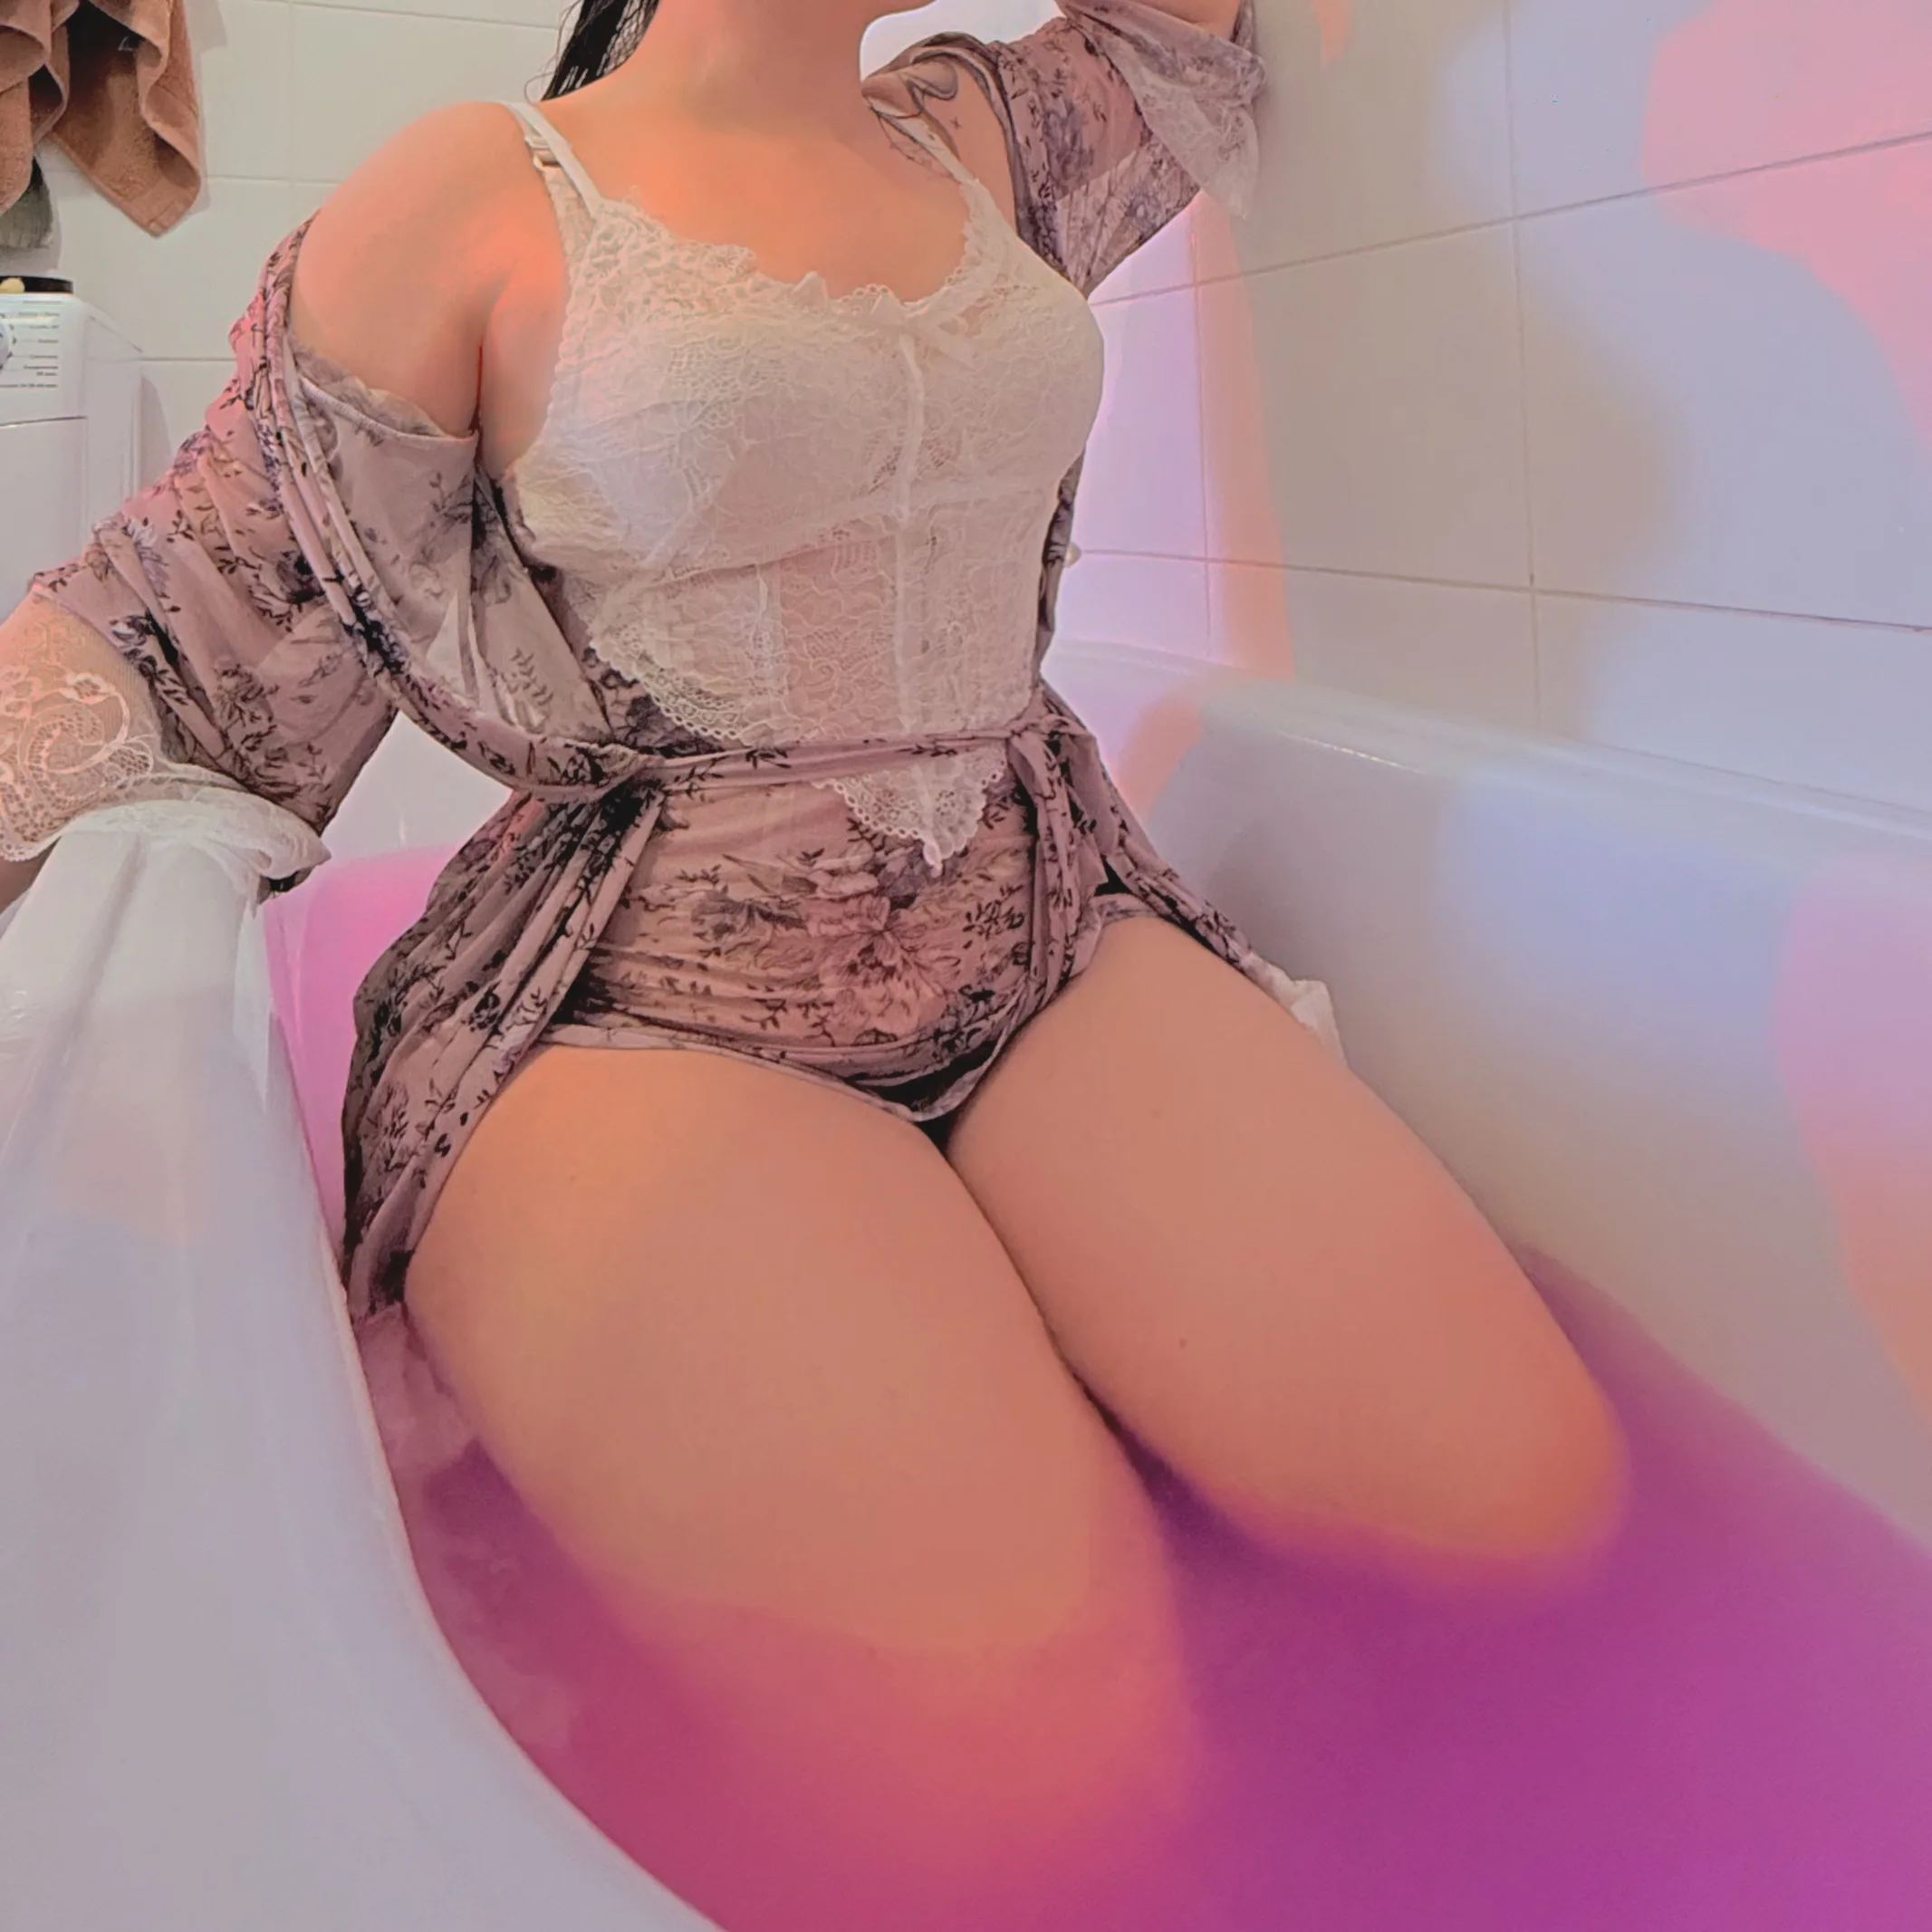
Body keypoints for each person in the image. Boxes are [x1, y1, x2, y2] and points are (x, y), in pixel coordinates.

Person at [0, 0, 1627, 1915]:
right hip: (639, 1003)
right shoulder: (482, 192)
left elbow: (1187, 24)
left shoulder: (984, 131)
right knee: (1054, 1772)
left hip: (1039, 925)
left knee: (1529, 1520)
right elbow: (179, 631)